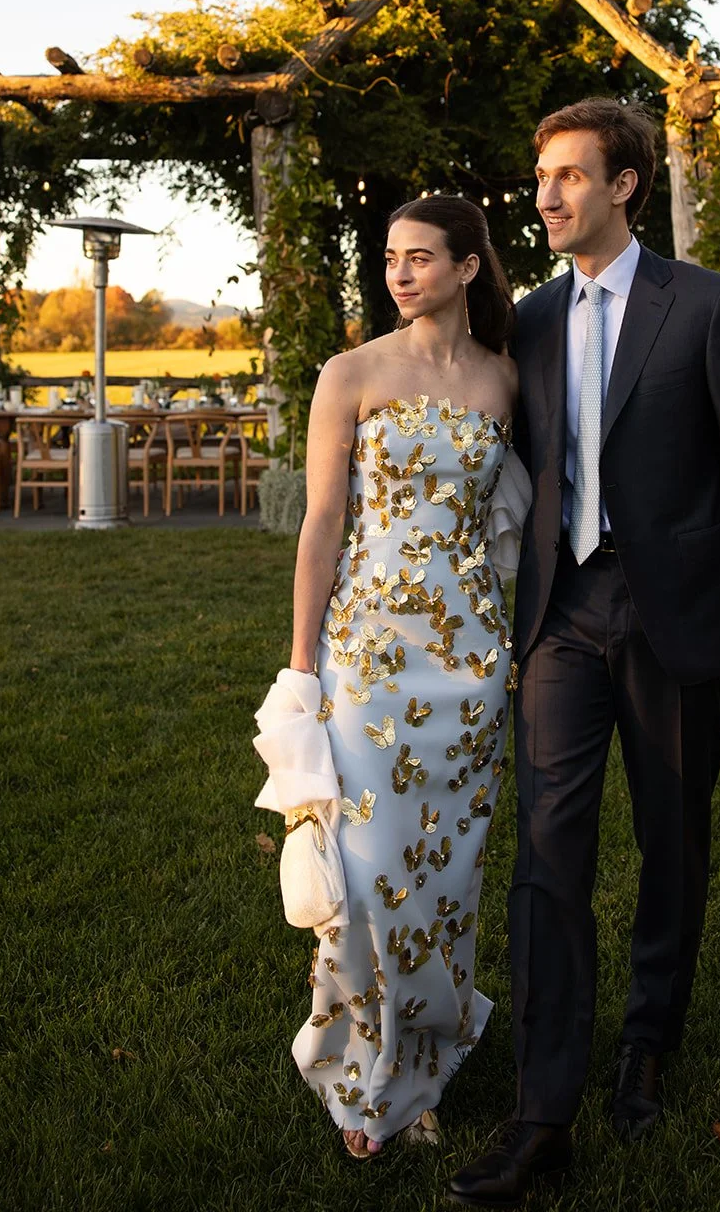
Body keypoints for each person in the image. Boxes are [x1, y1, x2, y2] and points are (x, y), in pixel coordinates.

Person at [448, 99, 720, 1207]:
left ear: (624, 185)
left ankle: (648, 1041)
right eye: (540, 176)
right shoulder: (532, 319)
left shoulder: (704, 305)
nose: (546, 196)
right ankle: (541, 1109)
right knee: (546, 854)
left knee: (670, 841)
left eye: (568, 175)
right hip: (561, 614)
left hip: (678, 612)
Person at [282, 195, 519, 1160]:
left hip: (472, 659)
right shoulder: (350, 372)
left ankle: (423, 1062)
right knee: (371, 869)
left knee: (448, 873)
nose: (400, 273)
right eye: (390, 258)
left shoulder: (505, 378)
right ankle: (359, 1067)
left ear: (466, 267)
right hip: (368, 657)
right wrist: (302, 666)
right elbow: (322, 524)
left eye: (420, 257)